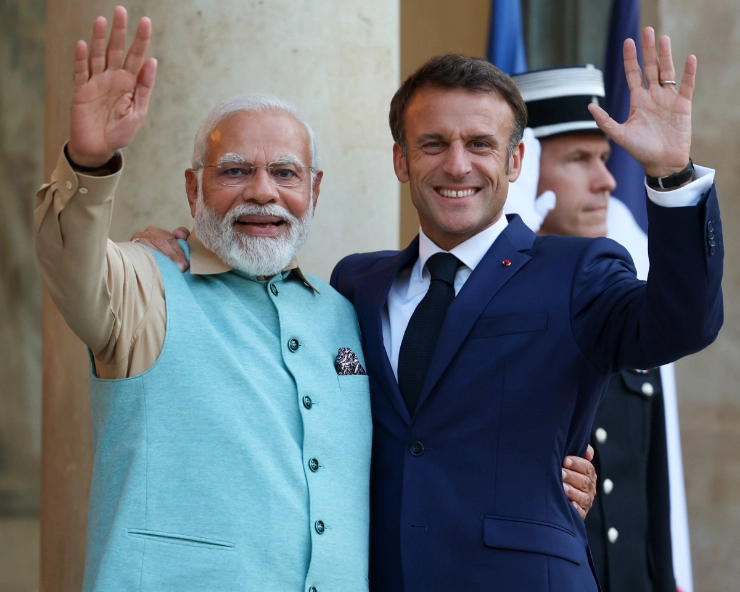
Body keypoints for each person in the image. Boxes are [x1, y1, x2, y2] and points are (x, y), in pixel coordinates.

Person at [328, 29, 722, 591]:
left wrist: (672, 177)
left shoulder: (577, 272)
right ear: (401, 159)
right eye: (433, 143)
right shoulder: (355, 283)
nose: (457, 165)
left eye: (481, 145)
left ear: (515, 161)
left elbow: (684, 322)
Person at [34, 8, 373, 591]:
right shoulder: (145, 283)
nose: (263, 191)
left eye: (286, 174)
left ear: (313, 190)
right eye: (235, 171)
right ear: (193, 188)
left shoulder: (342, 313)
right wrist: (88, 164)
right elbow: (71, 263)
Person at [510, 64, 696, 591]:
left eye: (606, 158)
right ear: (521, 168)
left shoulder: (623, 299)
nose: (608, 180)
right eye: (578, 159)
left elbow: (654, 495)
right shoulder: (486, 314)